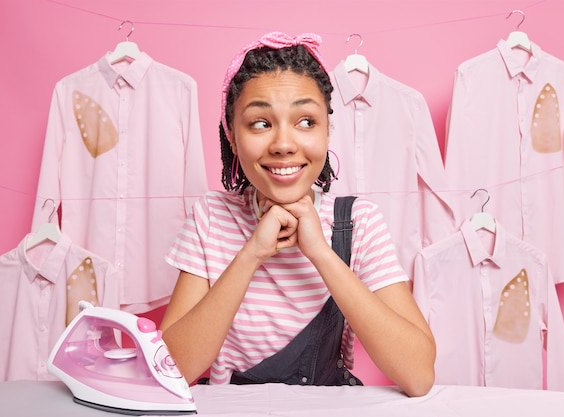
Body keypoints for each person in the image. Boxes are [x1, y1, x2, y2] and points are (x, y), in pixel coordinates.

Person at [160, 32, 436, 397]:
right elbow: (170, 369)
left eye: (306, 121)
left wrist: (322, 252)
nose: (284, 145)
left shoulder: (359, 223)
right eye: (261, 123)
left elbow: (418, 375)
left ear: (327, 130)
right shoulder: (211, 218)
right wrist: (251, 254)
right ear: (231, 135)